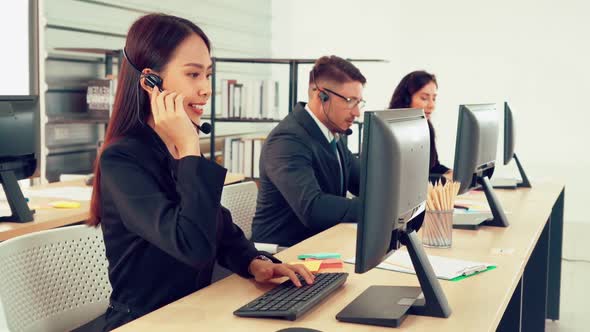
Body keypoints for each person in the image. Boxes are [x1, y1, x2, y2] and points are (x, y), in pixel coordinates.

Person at [86, 13, 313, 331]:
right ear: (150, 82)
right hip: (145, 323)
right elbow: (192, 246)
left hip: (194, 313)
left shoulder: (175, 144)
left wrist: (254, 262)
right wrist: (189, 149)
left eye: (208, 74)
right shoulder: (122, 159)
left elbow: (215, 226)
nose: (206, 89)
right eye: (193, 74)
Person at [252, 55, 364, 247]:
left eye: (359, 102)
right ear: (320, 95)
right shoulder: (287, 140)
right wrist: (380, 208)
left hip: (319, 244)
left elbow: (364, 180)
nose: (356, 112)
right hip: (282, 254)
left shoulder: (331, 134)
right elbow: (313, 208)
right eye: (349, 101)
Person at [388, 70, 453, 181]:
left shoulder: (426, 128)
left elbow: (432, 167)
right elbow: (406, 180)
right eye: (424, 98)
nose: (432, 105)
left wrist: (449, 172)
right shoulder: (391, 133)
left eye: (434, 98)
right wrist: (444, 179)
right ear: (406, 100)